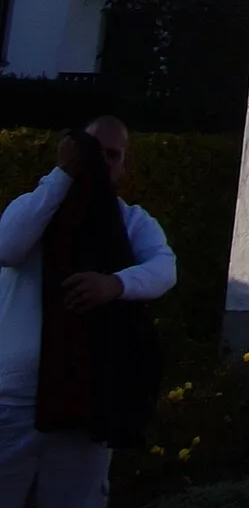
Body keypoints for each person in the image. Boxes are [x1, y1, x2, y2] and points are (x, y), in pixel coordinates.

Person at [0, 117, 176, 508]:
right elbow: (8, 246)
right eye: (93, 150)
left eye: (113, 154)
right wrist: (62, 174)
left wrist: (114, 284)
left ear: (124, 165)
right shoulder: (35, 206)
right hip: (12, 401)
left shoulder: (132, 221)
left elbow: (164, 269)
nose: (102, 161)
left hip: (86, 399)